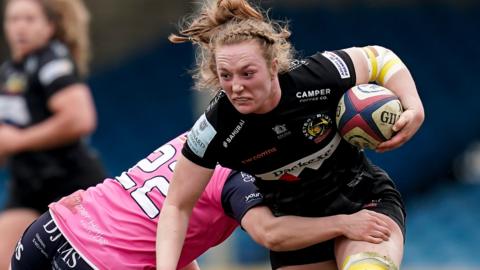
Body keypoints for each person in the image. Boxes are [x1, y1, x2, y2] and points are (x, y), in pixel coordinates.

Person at [156, 0, 425, 269]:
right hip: (299, 232)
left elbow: (379, 57)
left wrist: (414, 106)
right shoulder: (215, 127)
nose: (236, 86)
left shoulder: (317, 77)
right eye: (226, 75)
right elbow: (176, 206)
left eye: (247, 73)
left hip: (363, 202)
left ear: (273, 66)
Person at [9, 133, 391, 270]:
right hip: (102, 261)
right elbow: (269, 233)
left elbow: (169, 220)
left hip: (52, 227)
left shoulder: (197, 140)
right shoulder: (239, 176)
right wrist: (344, 223)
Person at [0, 0, 106, 268]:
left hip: (68, 180)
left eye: (29, 19)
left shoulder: (51, 60)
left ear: (49, 27)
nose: (19, 27)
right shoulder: (10, 72)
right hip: (27, 184)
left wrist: (19, 140)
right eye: (13, 20)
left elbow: (80, 118)